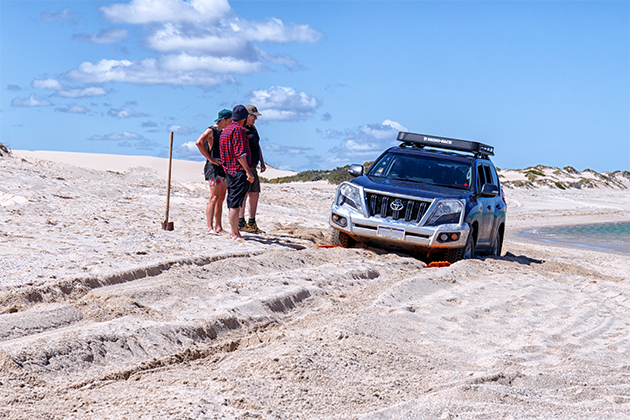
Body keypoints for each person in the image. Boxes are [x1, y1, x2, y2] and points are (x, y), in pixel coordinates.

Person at [219, 105, 255, 240]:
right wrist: (248, 171)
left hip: (229, 170)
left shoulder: (225, 130)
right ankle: (235, 233)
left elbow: (223, 152)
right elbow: (240, 154)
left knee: (233, 202)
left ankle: (235, 232)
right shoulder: (238, 130)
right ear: (244, 118)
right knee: (235, 203)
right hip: (238, 170)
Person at [195, 109, 232, 234]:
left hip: (223, 168)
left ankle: (218, 226)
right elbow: (199, 142)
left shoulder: (224, 132)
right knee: (214, 197)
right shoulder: (211, 130)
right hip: (213, 168)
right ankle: (209, 227)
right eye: (229, 121)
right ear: (223, 120)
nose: (230, 123)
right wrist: (210, 158)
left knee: (221, 198)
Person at [238, 104, 267, 233]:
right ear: (248, 115)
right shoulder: (241, 129)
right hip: (244, 167)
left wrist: (262, 161)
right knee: (243, 194)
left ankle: (252, 221)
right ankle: (240, 221)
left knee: (254, 193)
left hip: (253, 165)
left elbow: (257, 145)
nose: (255, 119)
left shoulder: (253, 128)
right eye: (254, 116)